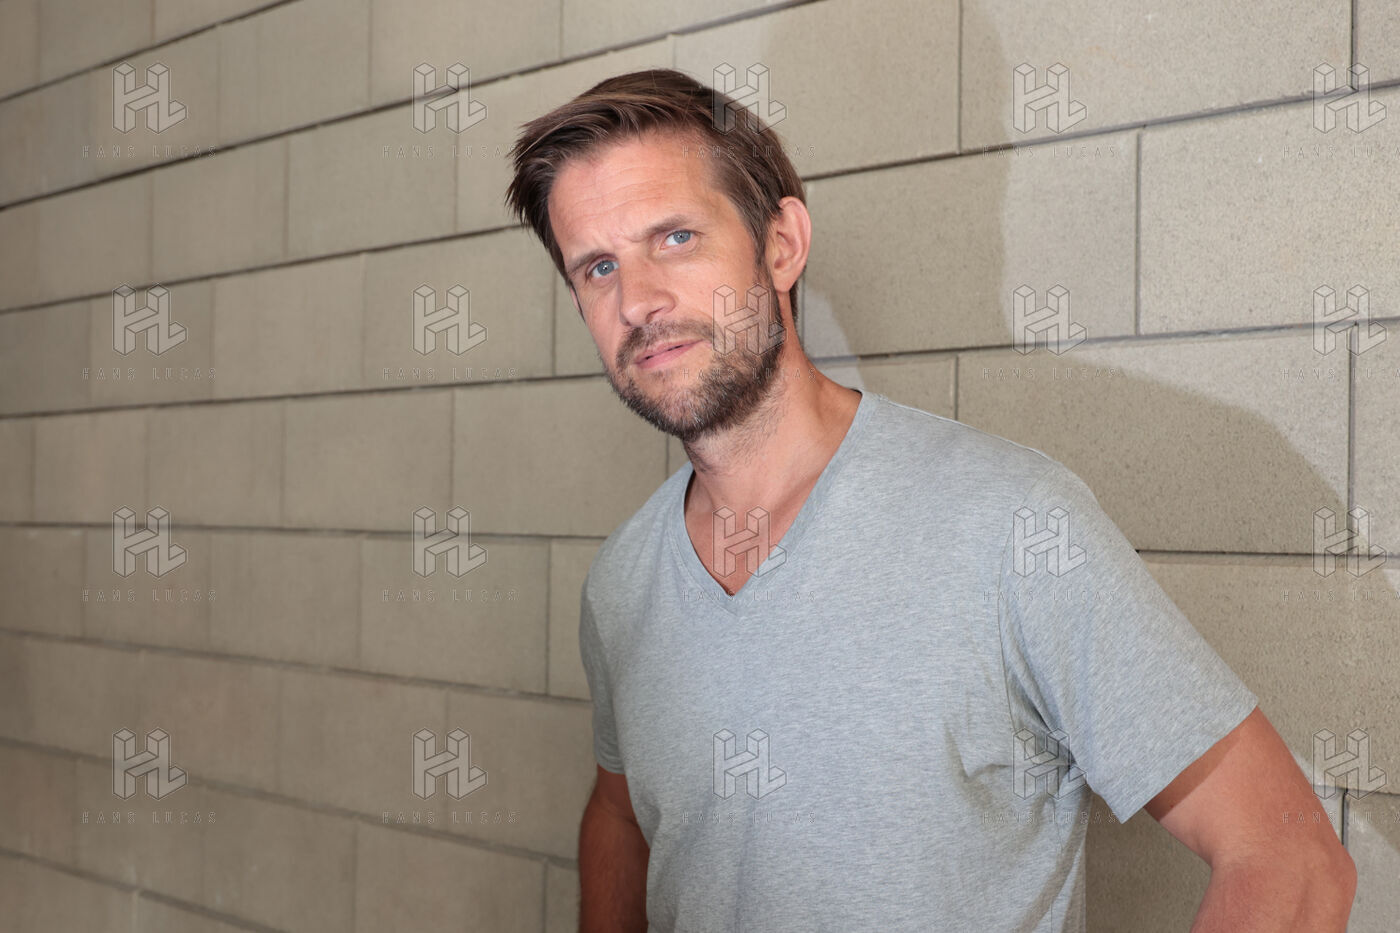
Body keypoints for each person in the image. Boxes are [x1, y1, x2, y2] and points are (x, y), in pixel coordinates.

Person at [505, 68, 1356, 933]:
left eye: (677, 237)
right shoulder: (621, 581)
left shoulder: (1013, 526)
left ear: (782, 244)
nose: (637, 302)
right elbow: (621, 813)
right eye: (598, 266)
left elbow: (1288, 861)